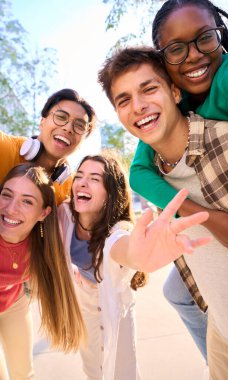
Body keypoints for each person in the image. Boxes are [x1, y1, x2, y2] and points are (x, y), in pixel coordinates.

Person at [98, 46, 228, 379]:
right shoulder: (155, 174)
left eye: (148, 88)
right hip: (226, 343)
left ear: (174, 90)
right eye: (123, 100)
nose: (138, 106)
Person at [127, 0, 228, 361]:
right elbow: (138, 172)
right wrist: (204, 217)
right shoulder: (172, 100)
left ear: (221, 34)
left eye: (204, 39)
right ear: (162, 59)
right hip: (209, 227)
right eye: (176, 49)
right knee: (179, 294)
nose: (194, 57)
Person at [58, 152, 210, 380]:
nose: (82, 182)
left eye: (95, 179)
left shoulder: (119, 230)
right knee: (91, 370)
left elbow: (125, 249)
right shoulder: (63, 214)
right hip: (83, 309)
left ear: (110, 193)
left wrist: (141, 257)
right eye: (80, 176)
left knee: (122, 371)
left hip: (115, 311)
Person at [0, 164, 86, 380]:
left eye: (27, 201)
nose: (11, 209)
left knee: (23, 373)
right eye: (6, 195)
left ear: (43, 213)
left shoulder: (43, 243)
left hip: (13, 302)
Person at [0, 88, 96, 205]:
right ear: (42, 122)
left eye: (80, 126)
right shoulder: (4, 146)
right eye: (61, 117)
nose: (68, 128)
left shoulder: (70, 189)